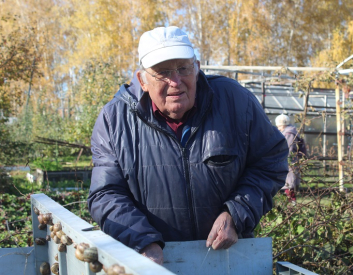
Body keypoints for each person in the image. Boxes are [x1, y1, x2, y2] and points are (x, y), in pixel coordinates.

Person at [88, 26, 289, 265]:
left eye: (183, 68)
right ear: (142, 80)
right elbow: (105, 193)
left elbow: (270, 161)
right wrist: (142, 240)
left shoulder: (235, 102)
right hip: (155, 263)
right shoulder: (115, 120)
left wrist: (236, 214)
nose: (176, 81)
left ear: (197, 68)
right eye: (162, 72)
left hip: (228, 261)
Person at [275, 114, 304, 206]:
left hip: (290, 161)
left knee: (289, 183)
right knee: (289, 183)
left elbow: (288, 148)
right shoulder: (292, 131)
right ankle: (290, 203)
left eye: (279, 126)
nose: (278, 128)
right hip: (291, 161)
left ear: (283, 125)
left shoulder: (289, 134)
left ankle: (292, 203)